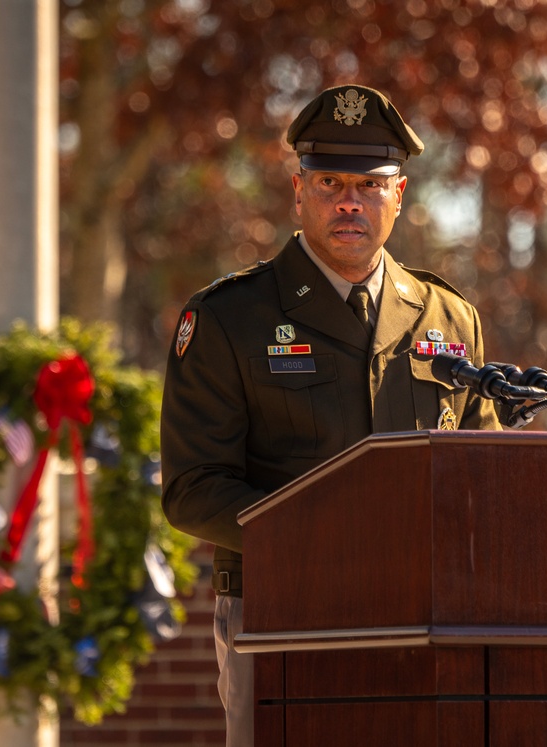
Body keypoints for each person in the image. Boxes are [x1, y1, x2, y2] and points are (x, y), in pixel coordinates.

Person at [160, 84, 501, 747]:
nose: (350, 200)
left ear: (398, 197)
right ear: (298, 192)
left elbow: (483, 473)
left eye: (370, 186)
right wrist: (328, 541)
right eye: (330, 182)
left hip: (425, 615)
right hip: (281, 611)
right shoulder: (231, 318)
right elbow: (192, 490)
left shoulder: (448, 317)